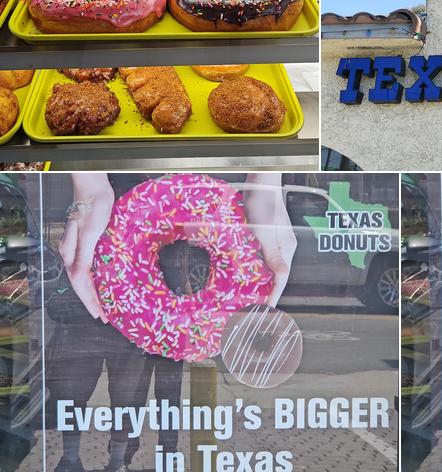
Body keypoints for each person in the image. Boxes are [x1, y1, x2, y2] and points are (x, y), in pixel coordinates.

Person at [48, 173, 297, 472]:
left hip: (161, 310)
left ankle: (155, 456)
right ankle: (103, 458)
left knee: (147, 392)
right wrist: (88, 184)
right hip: (116, 281)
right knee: (105, 387)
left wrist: (266, 182)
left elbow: (264, 171)